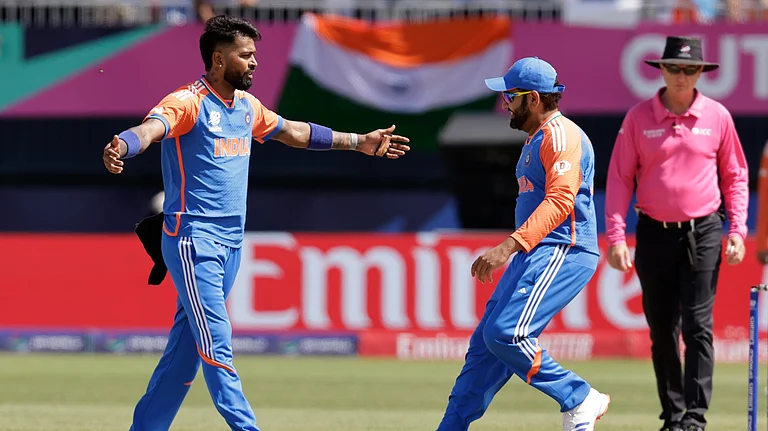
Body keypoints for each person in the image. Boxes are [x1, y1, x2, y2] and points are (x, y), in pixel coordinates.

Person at [101, 15, 410, 431]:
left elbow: (295, 133)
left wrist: (359, 142)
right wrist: (124, 143)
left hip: (230, 245)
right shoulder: (188, 101)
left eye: (254, 55)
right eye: (245, 55)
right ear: (217, 59)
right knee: (217, 346)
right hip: (194, 241)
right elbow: (153, 128)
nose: (254, 63)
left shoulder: (247, 107)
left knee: (186, 354)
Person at [434, 57, 610, 431]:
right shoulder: (537, 139)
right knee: (484, 347)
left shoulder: (563, 135)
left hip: (564, 249)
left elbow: (561, 201)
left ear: (532, 99)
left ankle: (579, 397)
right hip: (534, 253)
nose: (505, 104)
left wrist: (508, 246)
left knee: (507, 334)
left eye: (510, 96)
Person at [604, 36, 748, 431]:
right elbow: (619, 178)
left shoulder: (717, 116)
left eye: (690, 69)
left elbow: (735, 175)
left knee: (698, 327)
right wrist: (616, 237)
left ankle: (696, 418)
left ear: (701, 72)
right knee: (661, 329)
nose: (682, 76)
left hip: (702, 231)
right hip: (653, 231)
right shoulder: (638, 117)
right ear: (661, 71)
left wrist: (737, 229)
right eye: (675, 68)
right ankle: (672, 415)